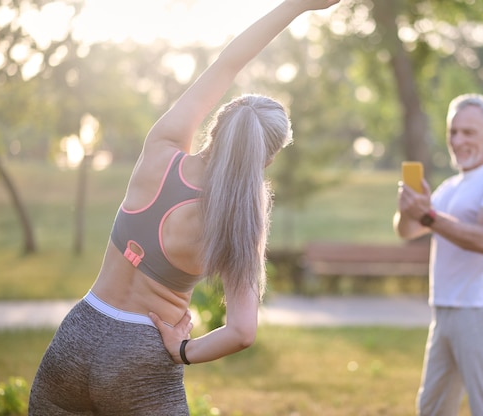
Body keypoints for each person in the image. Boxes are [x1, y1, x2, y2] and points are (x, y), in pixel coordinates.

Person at [29, 1, 340, 414]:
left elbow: (228, 64)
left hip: (76, 334)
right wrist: (184, 351)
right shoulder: (236, 220)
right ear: (266, 159)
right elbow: (242, 332)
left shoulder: (162, 149)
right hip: (142, 356)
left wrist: (295, 7)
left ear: (218, 124)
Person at [393, 93, 483, 416]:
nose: (458, 140)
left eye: (469, 132)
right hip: (445, 310)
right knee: (433, 409)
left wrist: (428, 216)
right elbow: (407, 231)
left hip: (481, 311)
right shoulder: (451, 187)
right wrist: (409, 211)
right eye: (453, 132)